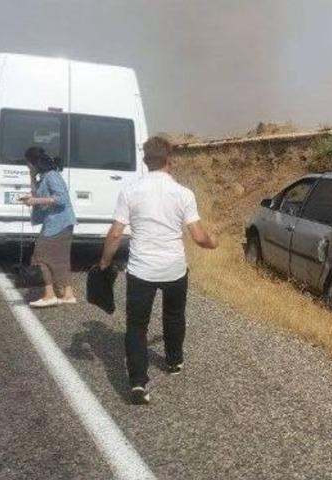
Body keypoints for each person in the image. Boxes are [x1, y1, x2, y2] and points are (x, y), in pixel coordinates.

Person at [98, 136, 218, 405]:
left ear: (145, 160)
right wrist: (214, 243)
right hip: (174, 269)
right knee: (174, 316)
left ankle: (138, 382)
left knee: (137, 325)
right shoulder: (184, 194)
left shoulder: (130, 191)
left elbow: (116, 234)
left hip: (141, 270)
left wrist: (105, 262)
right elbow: (199, 237)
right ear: (170, 161)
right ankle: (174, 361)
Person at [21, 147, 77, 308]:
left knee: (40, 257)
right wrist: (31, 179)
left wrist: (35, 202)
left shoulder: (52, 176)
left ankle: (50, 295)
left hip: (58, 223)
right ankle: (68, 294)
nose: (28, 167)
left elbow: (61, 199)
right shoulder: (45, 176)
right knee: (61, 259)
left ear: (35, 162)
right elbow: (37, 193)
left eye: (28, 164)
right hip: (58, 222)